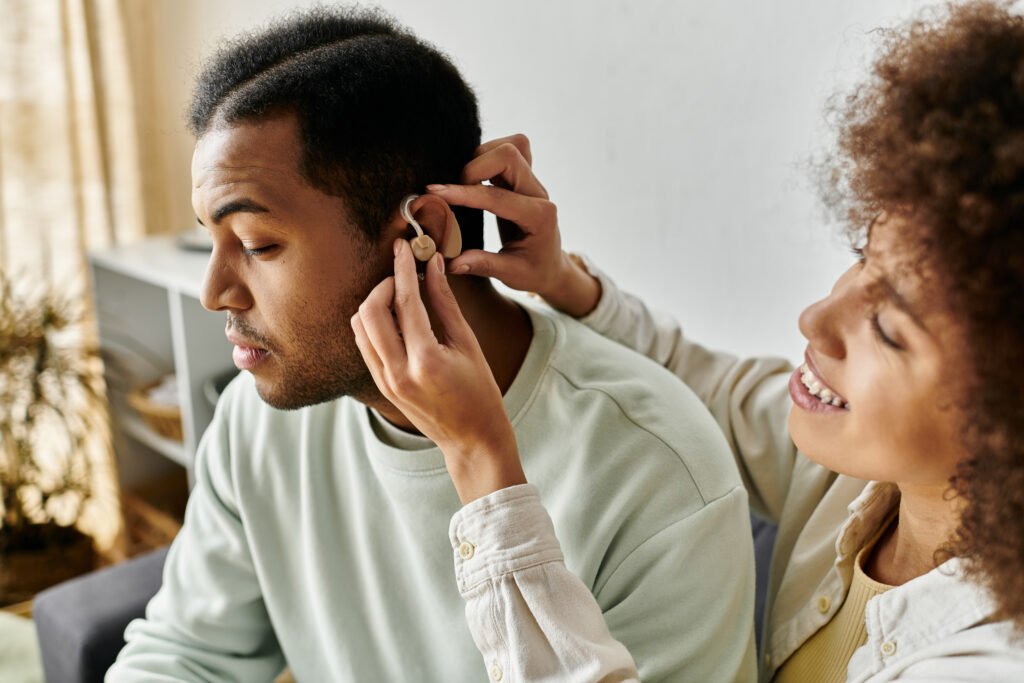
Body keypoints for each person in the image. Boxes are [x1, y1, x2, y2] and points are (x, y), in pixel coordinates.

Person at [354, 1, 1024, 681]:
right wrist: (562, 281)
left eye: (887, 328)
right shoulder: (855, 476)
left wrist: (482, 463)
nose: (816, 318)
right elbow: (707, 387)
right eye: (863, 256)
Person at [107, 7, 758, 682]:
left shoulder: (658, 475)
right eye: (208, 240)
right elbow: (183, 653)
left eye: (256, 244)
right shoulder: (254, 422)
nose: (215, 291)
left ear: (423, 235)